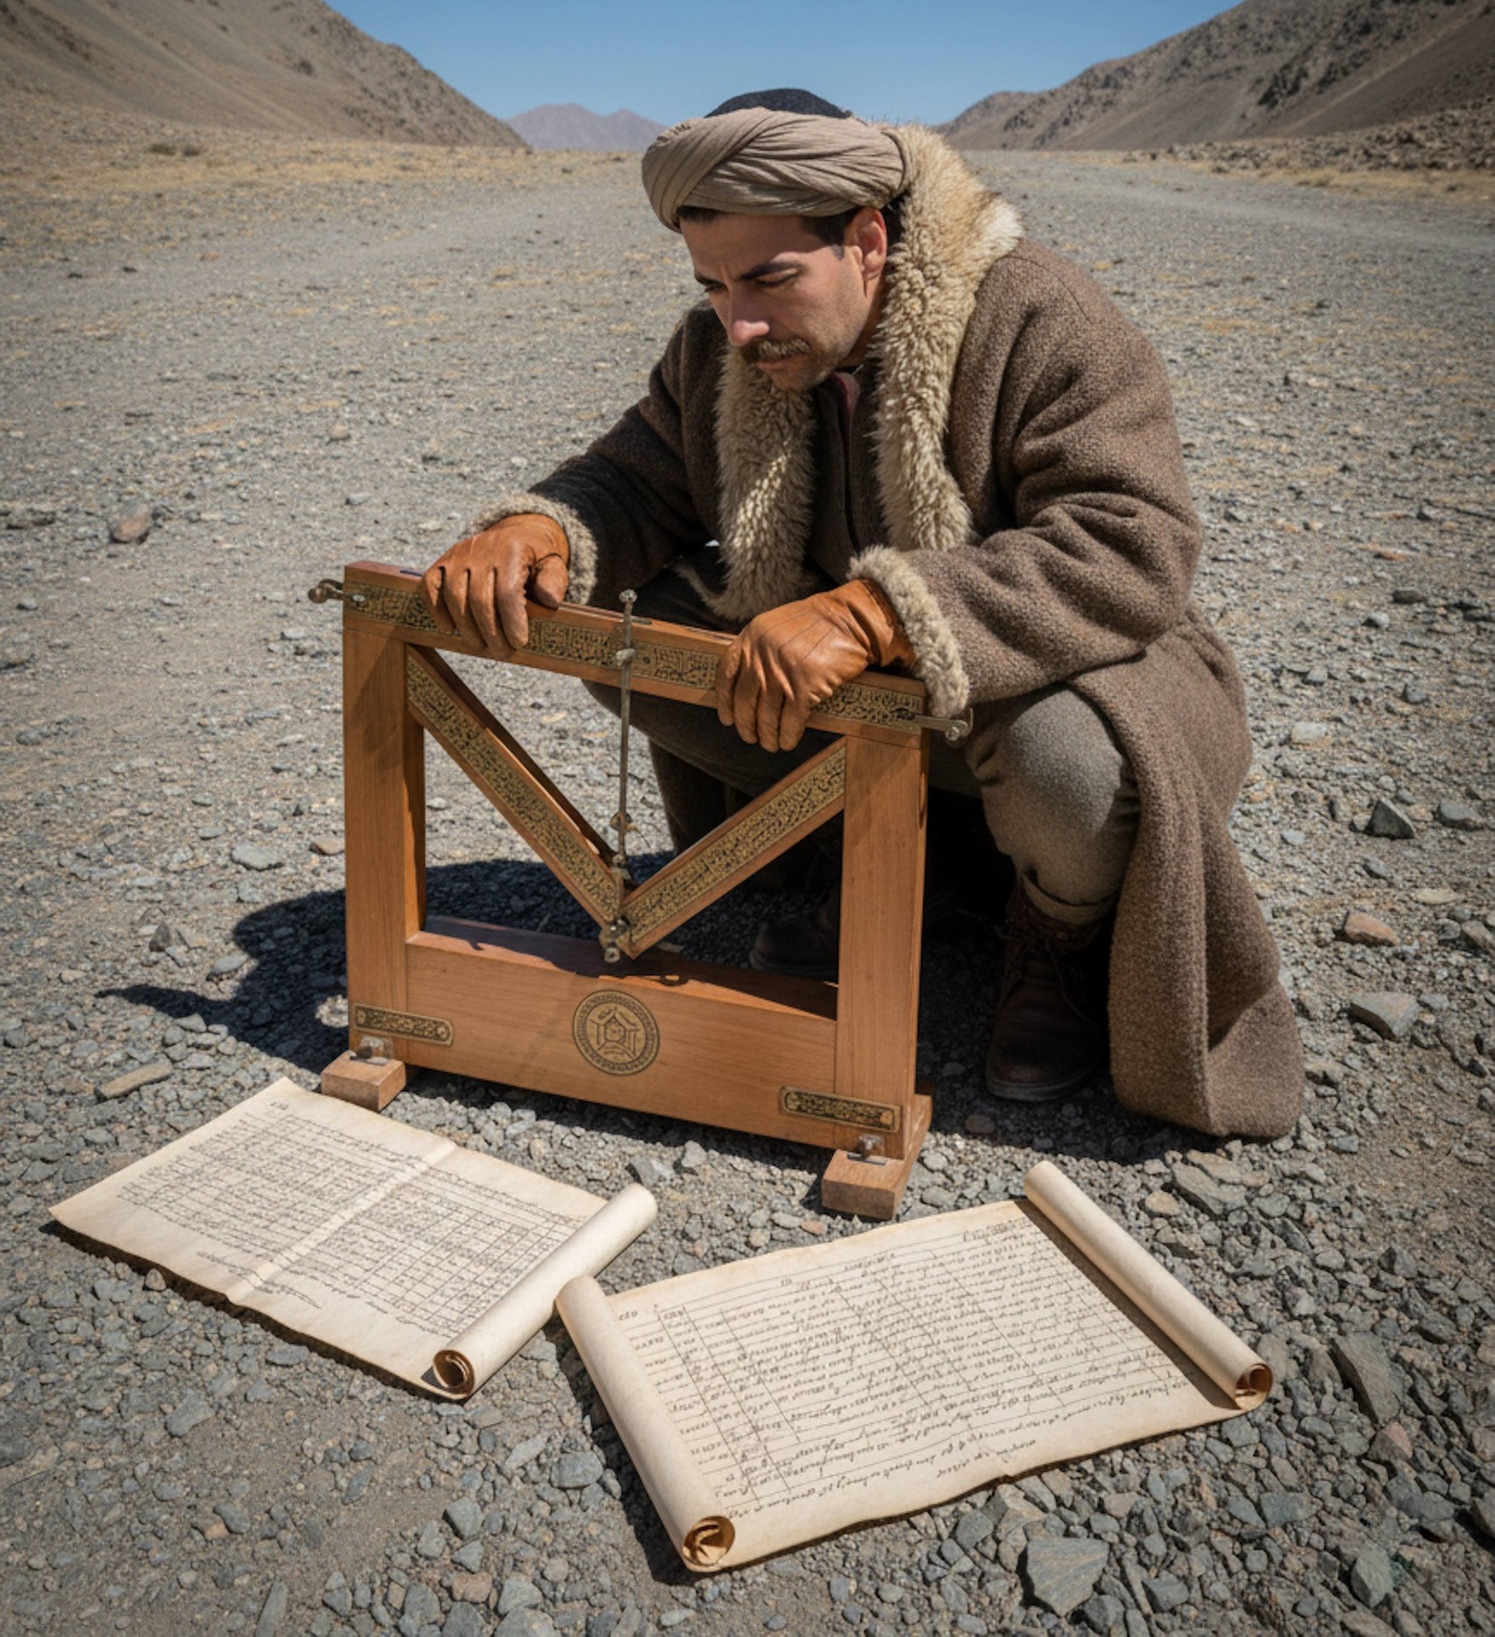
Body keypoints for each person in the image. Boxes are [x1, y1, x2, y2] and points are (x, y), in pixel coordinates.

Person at [421, 90, 1302, 1139]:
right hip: (879, 705)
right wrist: (546, 531)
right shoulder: (720, 350)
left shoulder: (1035, 313)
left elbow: (1132, 544)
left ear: (870, 241)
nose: (738, 322)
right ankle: (893, 866)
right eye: (711, 286)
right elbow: (633, 478)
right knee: (604, 610)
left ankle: (1059, 932)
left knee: (1068, 759)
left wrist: (880, 610)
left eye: (769, 279)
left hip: (1061, 681)